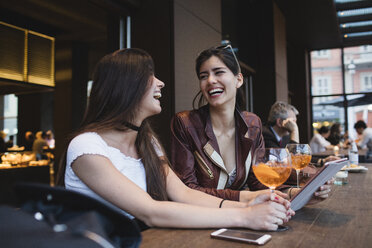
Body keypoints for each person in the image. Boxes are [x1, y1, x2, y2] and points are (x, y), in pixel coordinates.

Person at [56, 48, 294, 231]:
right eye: (150, 76)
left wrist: (250, 204)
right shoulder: (86, 146)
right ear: (125, 86)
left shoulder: (147, 142)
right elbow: (151, 212)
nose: (161, 82)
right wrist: (245, 216)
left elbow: (185, 195)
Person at [170, 45, 332, 204]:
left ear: (239, 79)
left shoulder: (252, 123)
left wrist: (293, 193)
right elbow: (187, 190)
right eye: (203, 76)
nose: (210, 80)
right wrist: (243, 197)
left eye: (218, 72)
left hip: (244, 216)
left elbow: (258, 182)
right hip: (201, 218)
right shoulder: (185, 124)